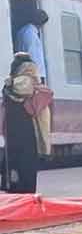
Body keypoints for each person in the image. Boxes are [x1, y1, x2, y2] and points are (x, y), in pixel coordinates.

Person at [1, 53, 51, 193]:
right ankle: (26, 190)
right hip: (28, 130)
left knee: (14, 160)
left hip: (14, 130)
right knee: (27, 161)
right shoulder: (33, 85)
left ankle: (15, 188)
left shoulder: (11, 84)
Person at [14, 9, 48, 82]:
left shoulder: (23, 31)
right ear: (41, 23)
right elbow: (32, 54)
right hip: (34, 74)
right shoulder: (31, 34)